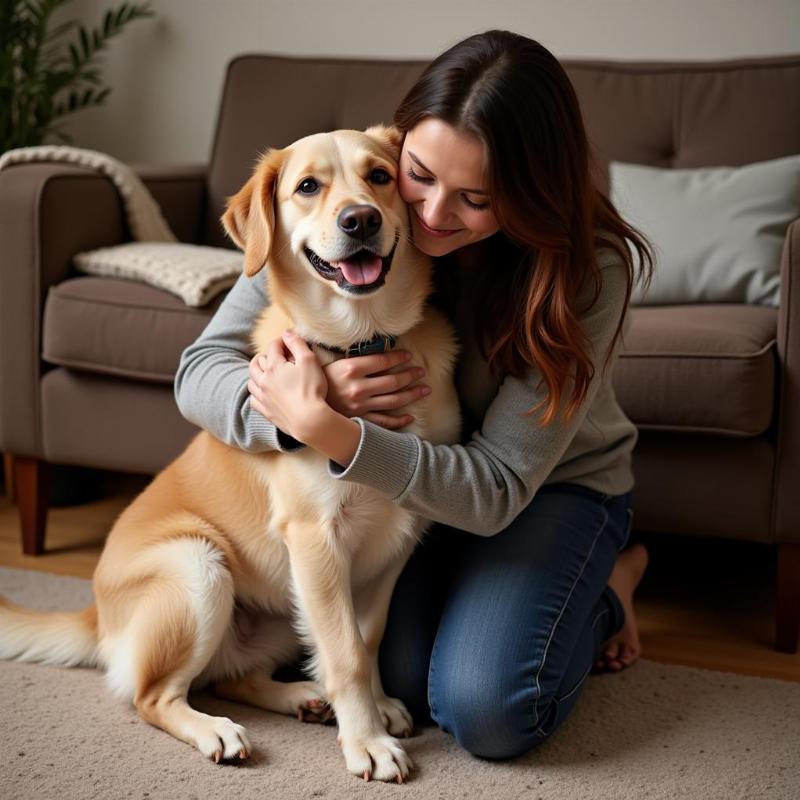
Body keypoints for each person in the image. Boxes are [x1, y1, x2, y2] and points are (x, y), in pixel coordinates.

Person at [174, 29, 654, 760]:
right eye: (419, 175)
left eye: (476, 198)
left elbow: (494, 489)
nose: (428, 215)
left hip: (541, 489)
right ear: (402, 149)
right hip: (415, 495)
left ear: (528, 195)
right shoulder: (350, 196)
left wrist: (330, 430)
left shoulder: (589, 273)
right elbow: (200, 369)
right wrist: (299, 410)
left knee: (487, 709)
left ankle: (612, 580)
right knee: (390, 672)